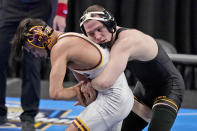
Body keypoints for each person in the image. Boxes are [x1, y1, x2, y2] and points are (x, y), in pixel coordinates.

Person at [11, 18, 134, 131]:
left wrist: (77, 90)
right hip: (118, 97)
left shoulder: (60, 48)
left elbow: (55, 93)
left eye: (33, 50)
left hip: (113, 100)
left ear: (40, 38)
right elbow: (85, 83)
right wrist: (84, 91)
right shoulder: (69, 38)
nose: (35, 55)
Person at [79, 4, 185, 131]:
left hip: (169, 88)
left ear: (109, 23)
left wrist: (83, 87)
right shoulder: (105, 41)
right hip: (144, 90)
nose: (97, 36)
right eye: (91, 33)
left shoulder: (126, 41)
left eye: (99, 29)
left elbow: (105, 83)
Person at [0, 0, 67, 130]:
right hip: (11, 6)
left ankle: (29, 116)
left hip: (40, 7)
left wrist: (61, 12)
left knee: (32, 62)